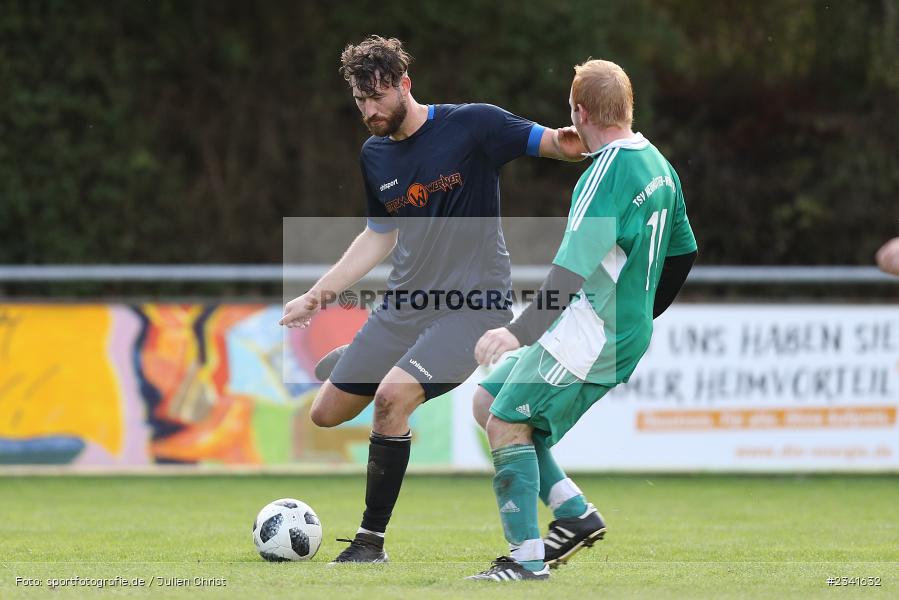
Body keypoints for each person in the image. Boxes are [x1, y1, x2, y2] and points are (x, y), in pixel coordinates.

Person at [279, 35, 587, 563]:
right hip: (403, 307)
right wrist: (318, 295)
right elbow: (379, 234)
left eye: (377, 96)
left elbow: (555, 143)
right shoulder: (374, 155)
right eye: (360, 101)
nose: (369, 111)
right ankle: (363, 362)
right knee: (325, 415)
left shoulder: (474, 126)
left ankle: (370, 543)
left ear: (405, 84)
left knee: (391, 400)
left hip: (473, 310)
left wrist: (597, 137)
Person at [467, 58, 697, 581]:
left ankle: (525, 562)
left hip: (594, 332)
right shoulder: (658, 164)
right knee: (489, 403)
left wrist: (514, 332)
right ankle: (574, 516)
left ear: (579, 110)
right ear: (627, 107)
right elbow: (684, 253)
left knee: (507, 424)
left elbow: (567, 276)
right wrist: (642, 312)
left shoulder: (605, 176)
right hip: (613, 327)